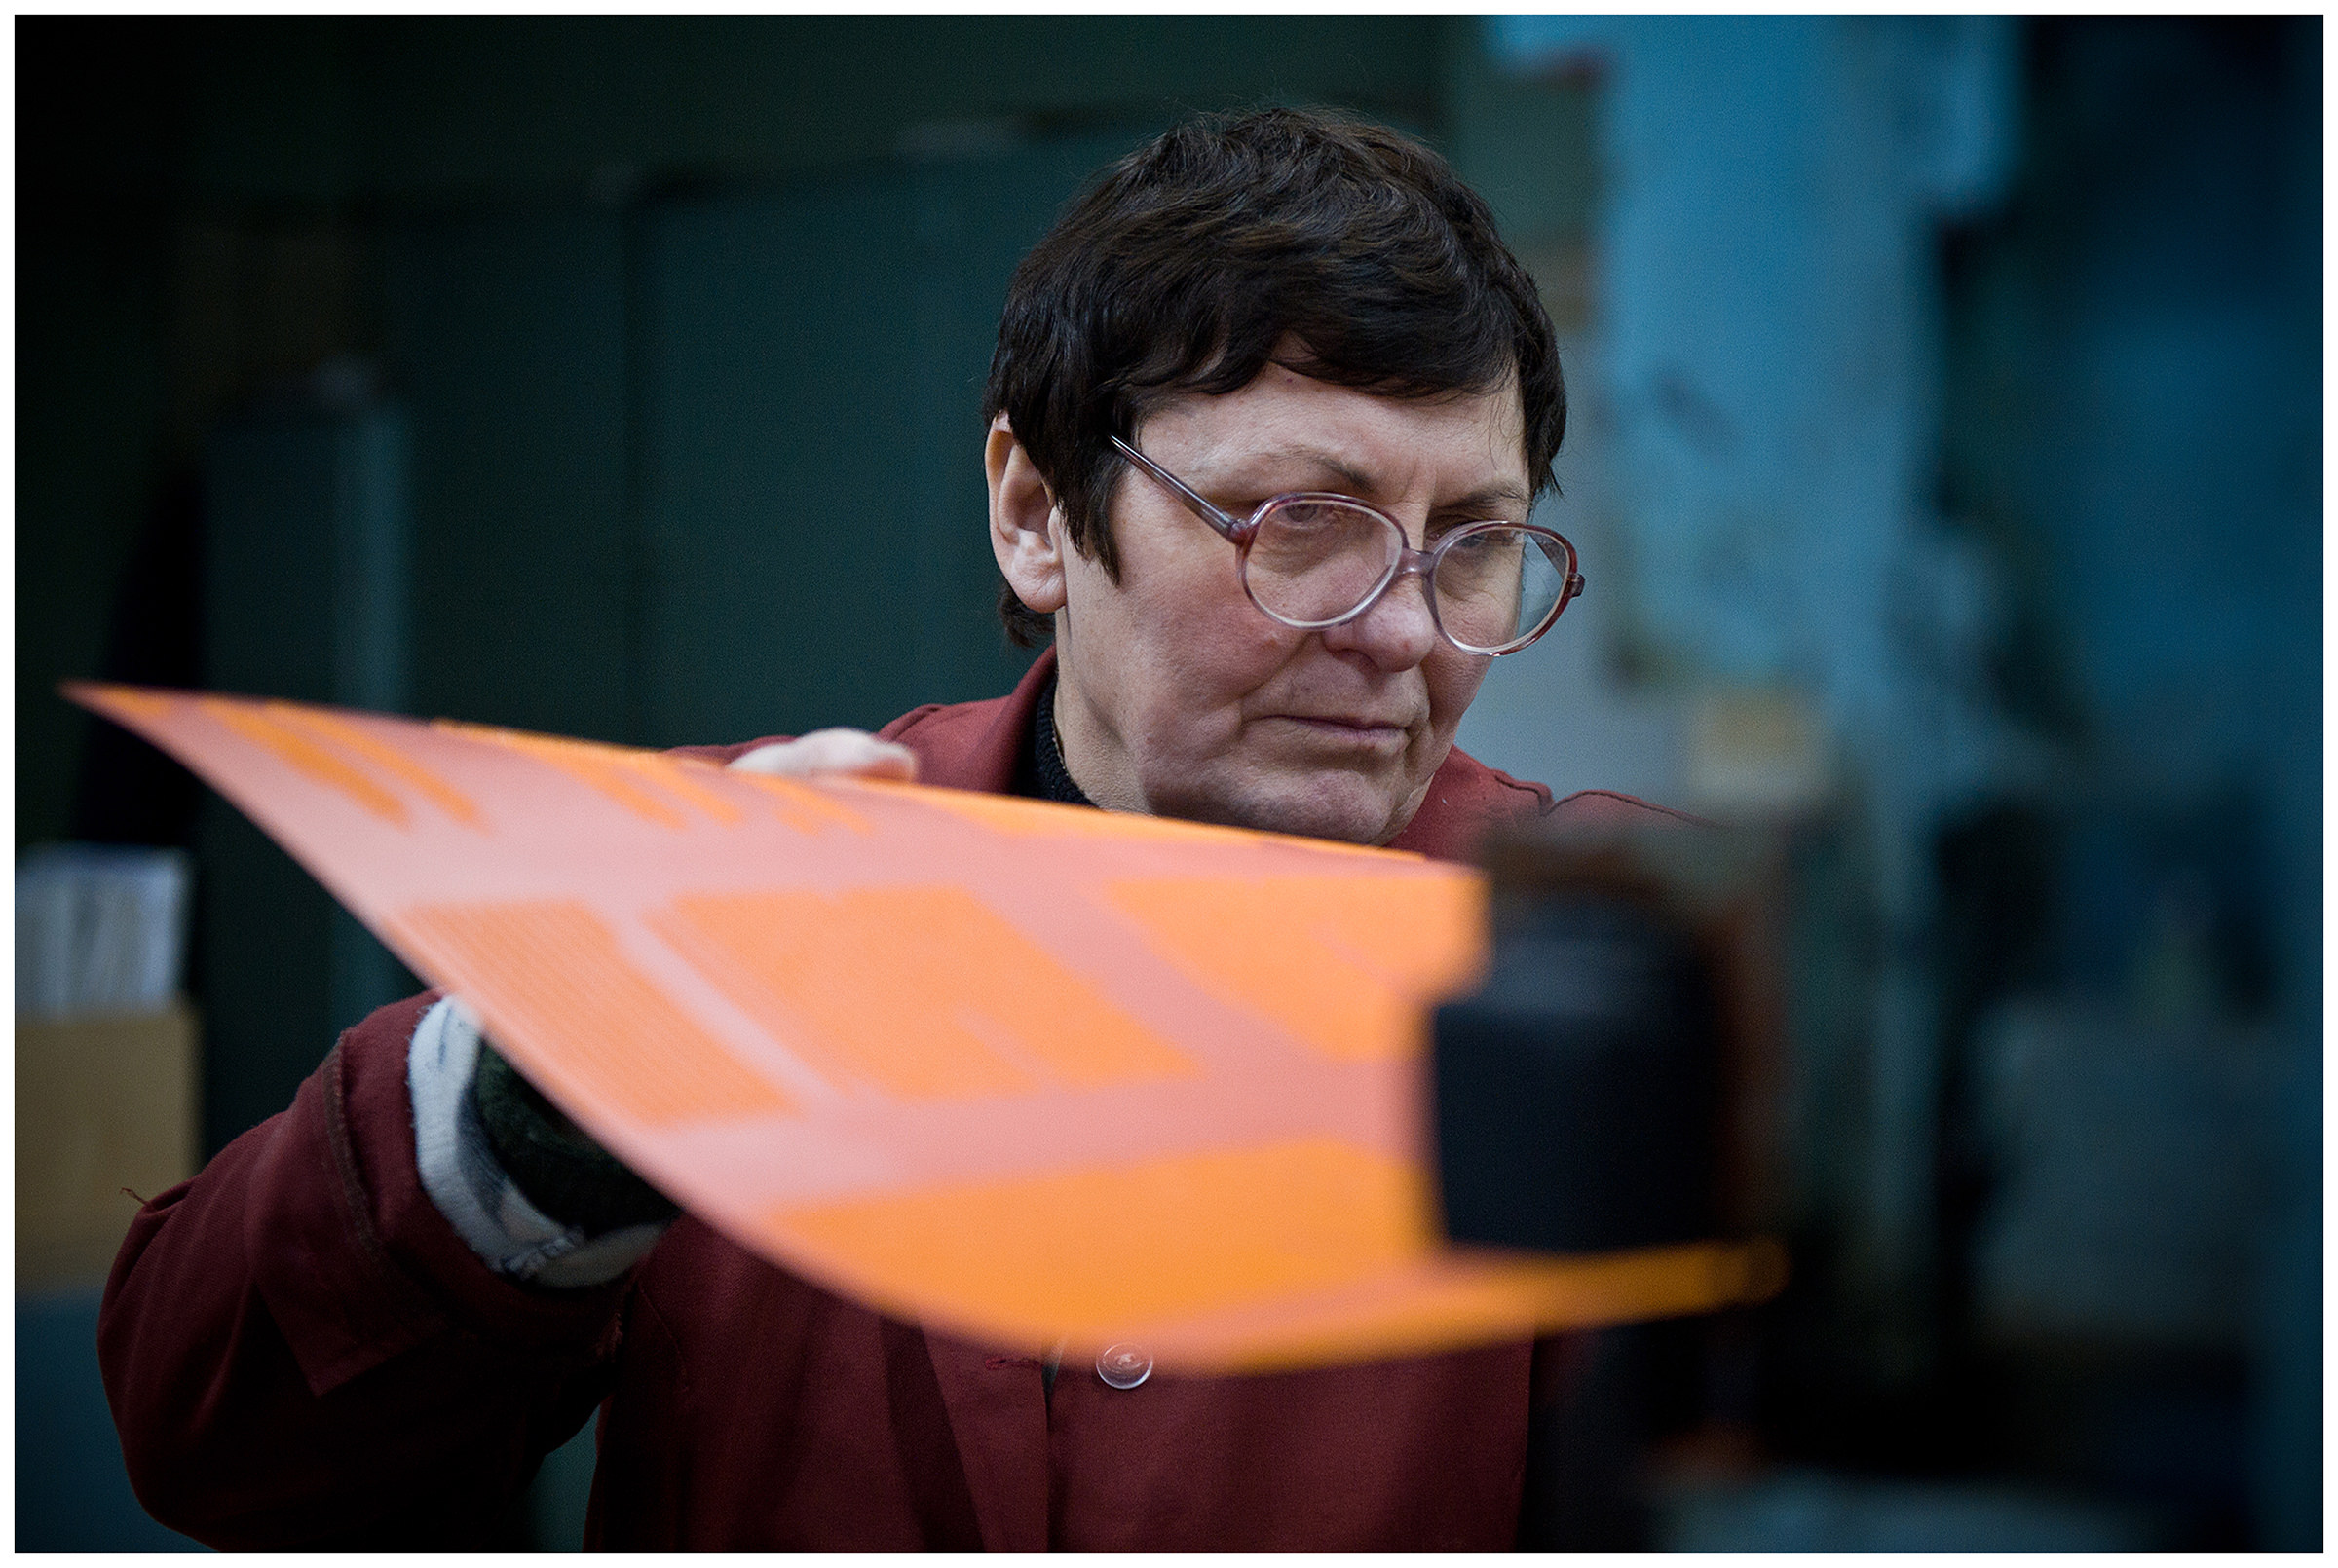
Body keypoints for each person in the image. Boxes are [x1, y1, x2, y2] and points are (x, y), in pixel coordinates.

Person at [98, 107, 1685, 1549]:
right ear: (1036, 512)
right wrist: (540, 1111)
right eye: (1302, 523)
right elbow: (216, 1439)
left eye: (1473, 545)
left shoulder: (1607, 961)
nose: (1403, 630)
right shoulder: (731, 891)